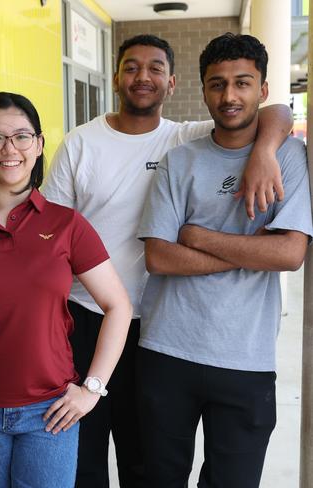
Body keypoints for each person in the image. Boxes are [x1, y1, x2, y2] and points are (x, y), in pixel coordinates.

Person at [42, 34, 293, 487]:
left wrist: (264, 151)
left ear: (172, 82)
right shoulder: (81, 143)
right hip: (84, 316)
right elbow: (50, 237)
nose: (143, 77)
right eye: (132, 67)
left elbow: (275, 111)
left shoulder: (184, 137)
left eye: (155, 68)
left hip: (150, 324)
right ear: (115, 77)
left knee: (145, 462)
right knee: (80, 453)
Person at [0, 92, 133, 488]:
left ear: (38, 145)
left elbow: (117, 306)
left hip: (50, 410)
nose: (10, 149)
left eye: (22, 136)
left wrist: (92, 389)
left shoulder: (67, 224)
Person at [136, 33, 312, 488]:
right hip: (166, 352)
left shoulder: (288, 157)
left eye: (242, 83)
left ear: (263, 90)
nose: (229, 96)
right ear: (203, 88)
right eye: (217, 84)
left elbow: (290, 253)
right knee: (158, 478)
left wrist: (198, 236)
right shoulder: (180, 160)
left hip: (246, 359)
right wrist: (253, 251)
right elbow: (159, 257)